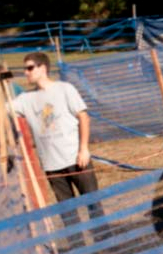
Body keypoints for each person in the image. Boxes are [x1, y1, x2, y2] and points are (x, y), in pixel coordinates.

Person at [9, 52, 100, 206]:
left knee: (94, 206)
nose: (26, 73)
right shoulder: (25, 99)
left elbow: (83, 117)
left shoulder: (65, 89)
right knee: (67, 214)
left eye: (30, 68)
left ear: (43, 68)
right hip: (52, 167)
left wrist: (84, 149)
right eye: (25, 69)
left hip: (77, 160)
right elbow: (0, 110)